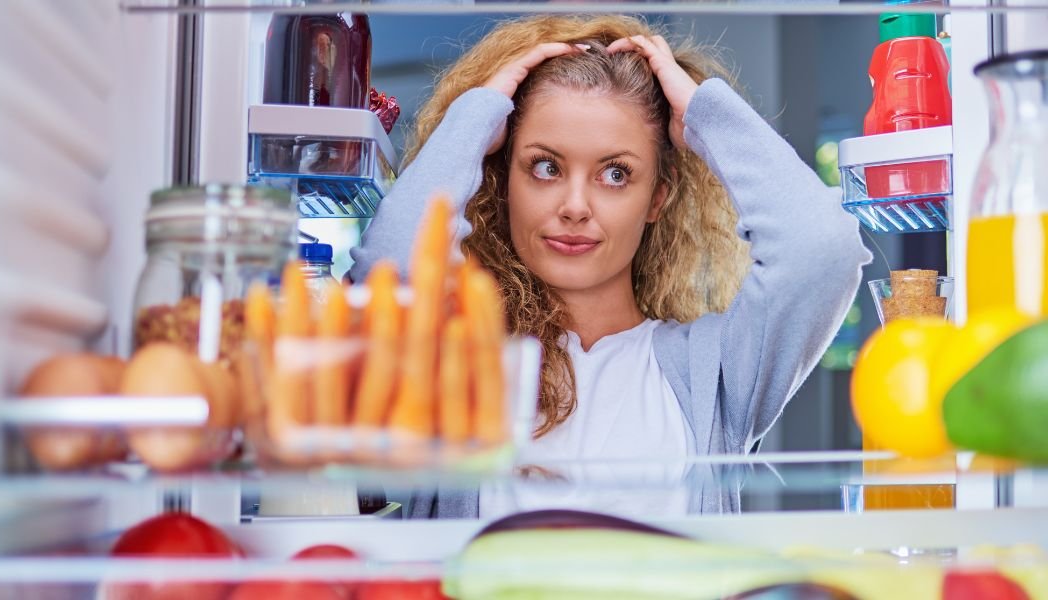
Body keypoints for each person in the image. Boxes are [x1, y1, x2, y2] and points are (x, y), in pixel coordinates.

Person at [348, 15, 872, 519]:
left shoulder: (712, 373)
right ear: (502, 181)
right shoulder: (460, 359)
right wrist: (476, 116)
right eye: (545, 167)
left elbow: (822, 250)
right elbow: (390, 274)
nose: (575, 205)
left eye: (615, 174)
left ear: (656, 200)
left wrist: (705, 118)